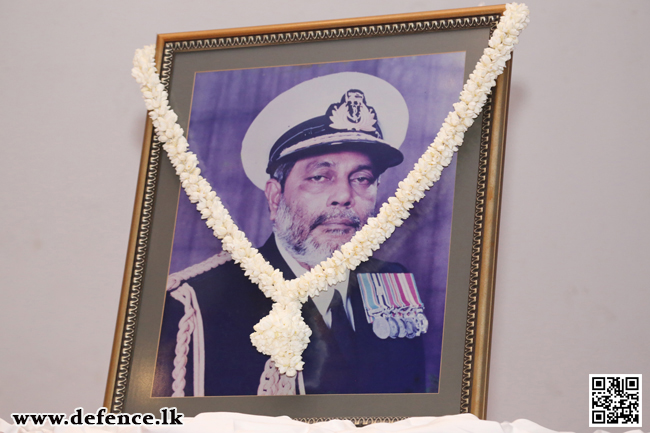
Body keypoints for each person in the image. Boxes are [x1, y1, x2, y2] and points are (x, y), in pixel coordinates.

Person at [153, 74, 427, 397]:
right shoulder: (197, 305)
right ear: (274, 197)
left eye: (362, 178)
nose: (344, 195)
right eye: (320, 176)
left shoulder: (391, 285)